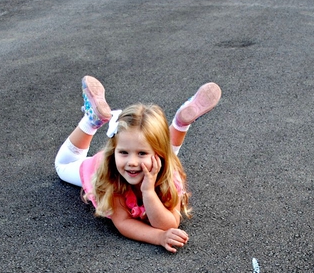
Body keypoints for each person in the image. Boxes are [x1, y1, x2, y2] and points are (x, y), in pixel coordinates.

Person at [54, 76, 221, 252]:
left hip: (157, 162)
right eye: (124, 152)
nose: (132, 162)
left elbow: (170, 223)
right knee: (63, 165)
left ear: (159, 155)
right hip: (104, 166)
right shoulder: (110, 172)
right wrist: (158, 237)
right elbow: (123, 222)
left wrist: (148, 192)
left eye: (141, 154)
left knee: (163, 152)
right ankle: (91, 120)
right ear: (115, 151)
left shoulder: (170, 175)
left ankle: (180, 125)